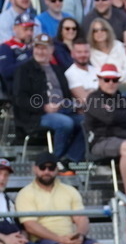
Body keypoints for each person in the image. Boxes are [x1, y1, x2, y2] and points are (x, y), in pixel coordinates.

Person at [13, 33, 85, 166]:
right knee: (65, 123)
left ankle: (70, 159)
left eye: (44, 48)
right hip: (37, 116)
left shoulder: (58, 70)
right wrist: (44, 107)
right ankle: (55, 161)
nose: (41, 52)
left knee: (87, 121)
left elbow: (66, 95)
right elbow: (19, 99)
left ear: (52, 50)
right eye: (38, 48)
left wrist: (74, 107)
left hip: (63, 109)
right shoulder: (24, 69)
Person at [84, 63, 126, 200]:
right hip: (101, 141)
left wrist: (118, 115)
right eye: (107, 80)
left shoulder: (123, 99)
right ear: (100, 80)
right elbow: (109, 118)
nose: (111, 83)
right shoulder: (93, 98)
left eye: (114, 80)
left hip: (124, 138)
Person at [0, 157, 55, 244]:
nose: (2, 178)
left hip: (15, 242)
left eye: (6, 175)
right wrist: (5, 239)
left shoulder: (8, 200)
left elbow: (21, 225)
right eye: (0, 174)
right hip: (3, 243)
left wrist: (23, 238)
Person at [86, 16, 126, 83]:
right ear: (92, 34)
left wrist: (120, 79)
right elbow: (97, 74)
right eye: (95, 31)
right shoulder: (90, 52)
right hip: (105, 84)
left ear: (108, 31)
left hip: (124, 83)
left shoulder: (118, 45)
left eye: (102, 30)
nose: (99, 33)